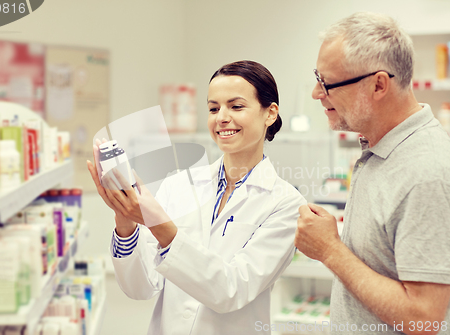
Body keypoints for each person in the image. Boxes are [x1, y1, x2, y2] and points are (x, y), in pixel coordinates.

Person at [87, 60, 306, 335]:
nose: (221, 117)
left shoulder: (286, 204)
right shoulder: (180, 185)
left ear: (270, 113)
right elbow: (140, 287)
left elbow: (231, 290)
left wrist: (158, 224)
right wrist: (125, 220)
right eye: (213, 108)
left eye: (236, 106)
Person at [294, 12, 450, 335]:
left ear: (378, 85)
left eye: (327, 83)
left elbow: (423, 319)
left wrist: (330, 250)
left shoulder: (426, 172)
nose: (318, 93)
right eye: (318, 78)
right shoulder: (380, 149)